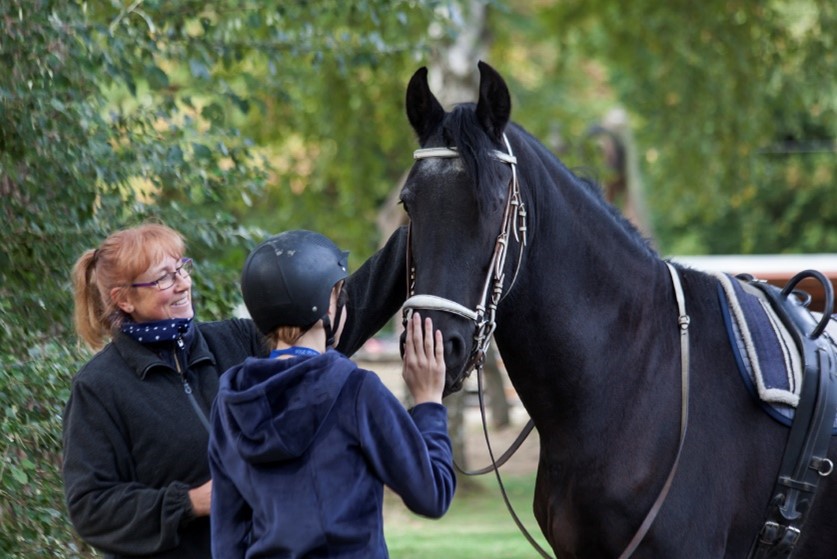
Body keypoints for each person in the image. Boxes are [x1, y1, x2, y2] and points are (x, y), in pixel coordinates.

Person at [62, 222, 408, 559]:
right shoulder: (99, 387)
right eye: (164, 277)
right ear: (123, 299)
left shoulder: (237, 342)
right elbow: (91, 508)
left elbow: (325, 321)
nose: (183, 284)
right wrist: (193, 502)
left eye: (182, 268)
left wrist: (420, 229)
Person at [208, 230, 455, 558]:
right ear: (326, 304)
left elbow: (227, 536)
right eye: (340, 294)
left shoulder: (231, 401)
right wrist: (428, 402)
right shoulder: (356, 391)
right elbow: (432, 495)